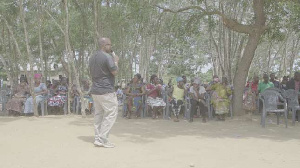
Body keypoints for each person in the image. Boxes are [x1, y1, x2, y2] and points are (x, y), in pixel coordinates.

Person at [89, 37, 118, 148]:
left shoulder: (92, 57)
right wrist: (116, 61)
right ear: (104, 45)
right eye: (109, 45)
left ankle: (98, 138)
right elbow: (115, 72)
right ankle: (103, 139)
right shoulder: (108, 57)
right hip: (106, 90)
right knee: (111, 113)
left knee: (99, 114)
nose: (111, 47)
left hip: (95, 90)